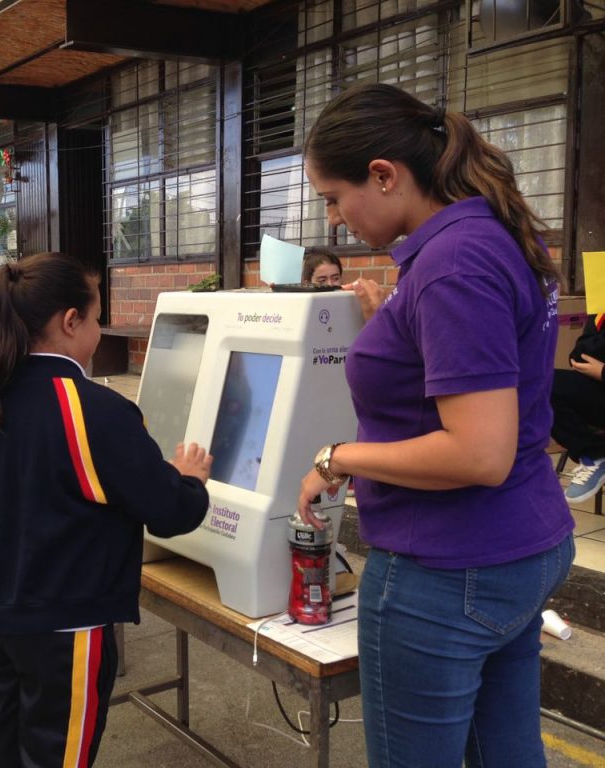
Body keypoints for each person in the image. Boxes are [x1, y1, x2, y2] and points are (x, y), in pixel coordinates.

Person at [296, 83, 574, 768]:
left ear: (385, 175)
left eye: (334, 196)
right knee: (507, 752)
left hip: (448, 567)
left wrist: (340, 456)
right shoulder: (495, 236)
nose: (333, 219)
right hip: (518, 545)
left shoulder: (453, 263)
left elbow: (479, 451)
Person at [0, 252, 212, 768]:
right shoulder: (97, 412)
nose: (98, 328)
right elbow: (168, 511)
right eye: (95, 317)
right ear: (71, 322)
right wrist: (190, 479)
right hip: (66, 632)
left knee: (1, 752)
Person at [551, 312, 605, 502]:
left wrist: (602, 371)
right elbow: (579, 357)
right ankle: (595, 454)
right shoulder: (600, 307)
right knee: (546, 384)